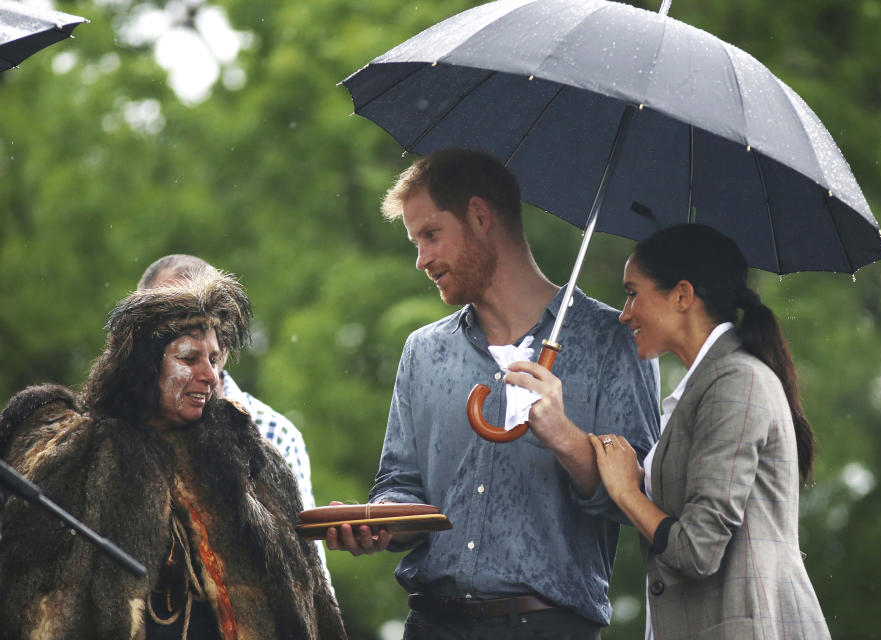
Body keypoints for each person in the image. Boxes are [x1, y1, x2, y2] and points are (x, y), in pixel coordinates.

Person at [326, 148, 661, 639]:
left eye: (431, 235)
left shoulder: (614, 341)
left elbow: (642, 500)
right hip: (430, 625)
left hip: (550, 628)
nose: (421, 260)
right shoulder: (424, 352)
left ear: (480, 216)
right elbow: (402, 482)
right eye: (416, 241)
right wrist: (381, 522)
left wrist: (567, 439)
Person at [0, 268, 345, 639]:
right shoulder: (77, 455)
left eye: (214, 359)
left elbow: (306, 601)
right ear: (142, 367)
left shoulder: (250, 464)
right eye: (190, 359)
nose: (210, 375)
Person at [585, 224, 831, 639]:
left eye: (632, 293)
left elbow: (698, 549)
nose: (624, 313)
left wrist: (626, 491)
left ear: (682, 295)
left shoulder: (735, 382)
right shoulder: (708, 385)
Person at [138, 254, 333, 592]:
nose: (185, 330)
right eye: (166, 324)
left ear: (224, 340)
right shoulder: (105, 432)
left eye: (197, 320)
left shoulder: (274, 435)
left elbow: (309, 582)